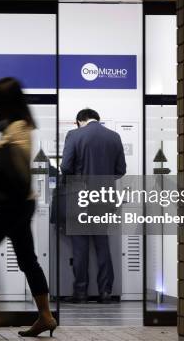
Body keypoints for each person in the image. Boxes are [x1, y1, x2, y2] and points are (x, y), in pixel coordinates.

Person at [0, 77, 57, 337]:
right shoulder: (20, 125)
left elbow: (14, 157)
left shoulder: (18, 125)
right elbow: (11, 150)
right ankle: (45, 316)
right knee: (28, 260)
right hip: (22, 203)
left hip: (16, 204)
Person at [60, 108, 126, 304]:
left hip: (79, 199)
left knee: (80, 248)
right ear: (97, 119)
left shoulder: (74, 135)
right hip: (104, 198)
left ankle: (80, 293)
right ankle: (105, 292)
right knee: (102, 245)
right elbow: (121, 170)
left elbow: (65, 167)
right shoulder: (114, 136)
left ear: (80, 121)